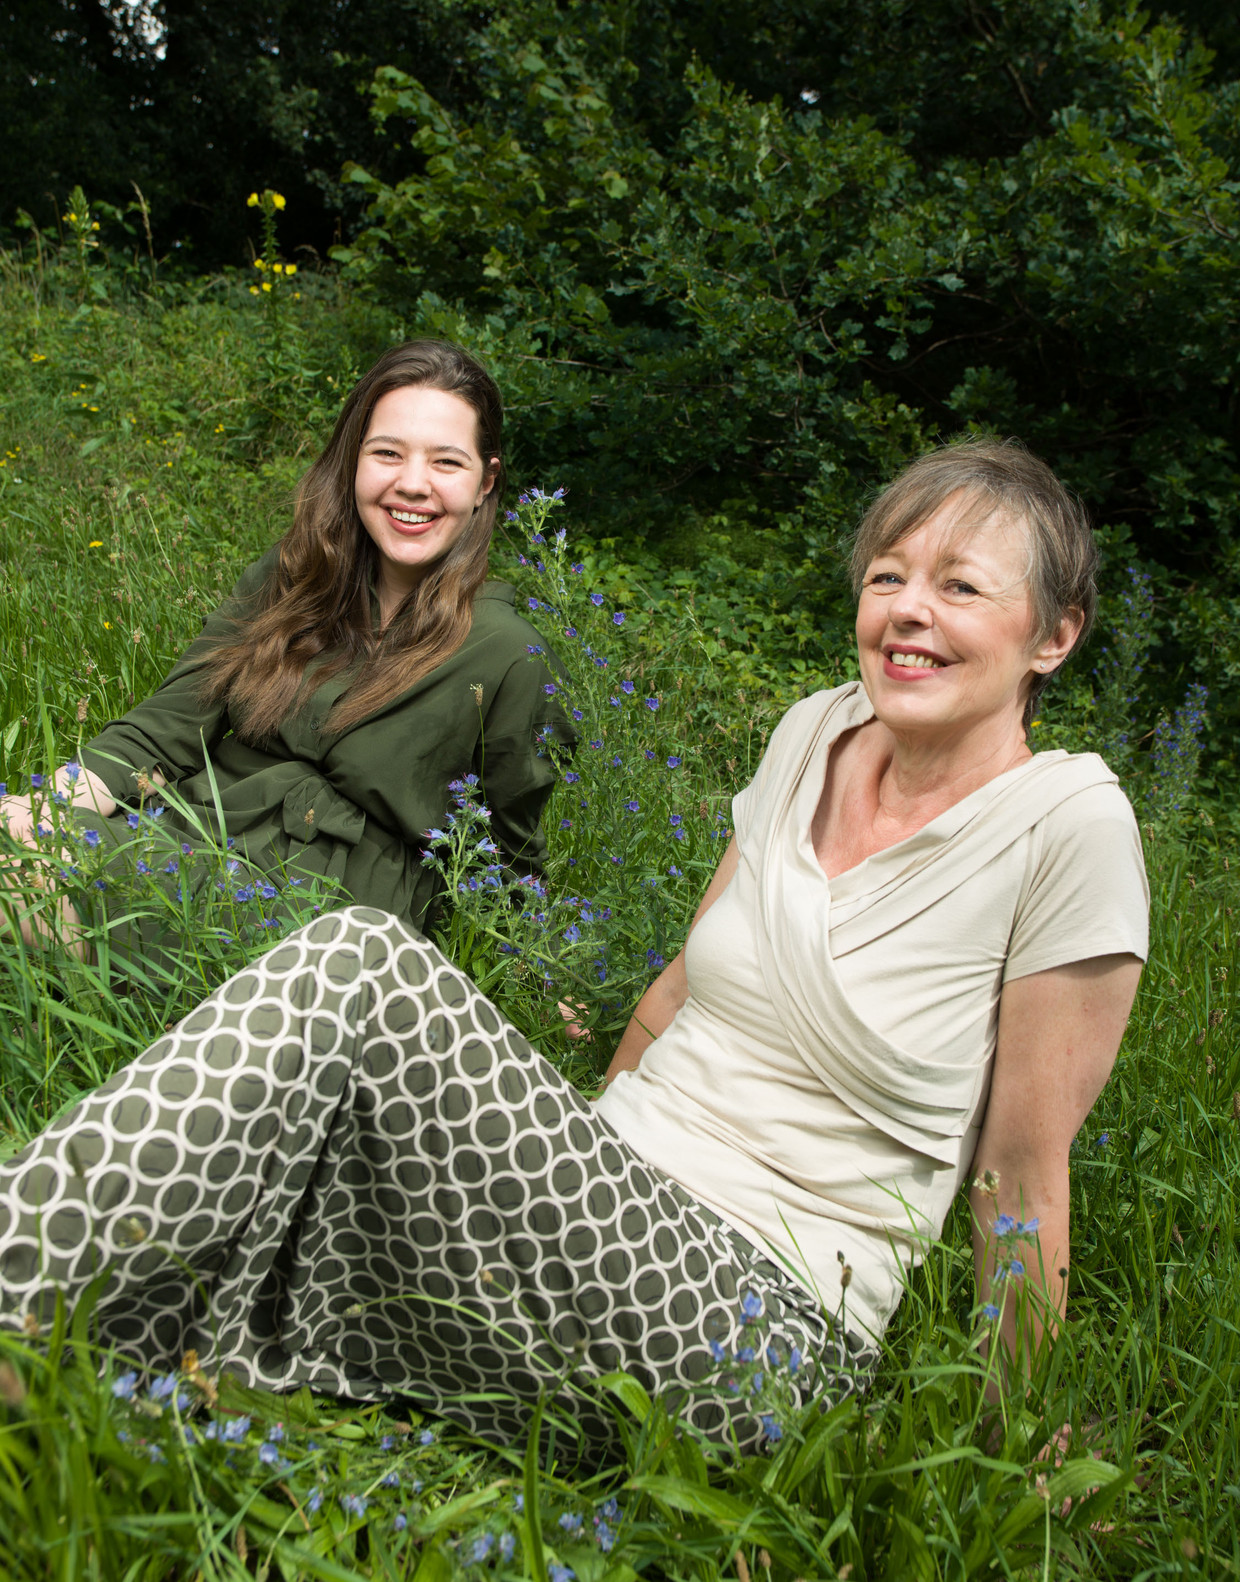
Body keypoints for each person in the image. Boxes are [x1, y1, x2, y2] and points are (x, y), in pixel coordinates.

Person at [0, 441, 1148, 1460]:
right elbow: (682, 989)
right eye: (888, 575)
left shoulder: (1066, 825)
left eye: (960, 586)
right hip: (601, 1213)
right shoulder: (814, 729)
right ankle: (63, 1359)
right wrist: (568, 1155)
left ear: (1053, 635)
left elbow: (1020, 1176)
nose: (907, 609)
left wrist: (1012, 1460)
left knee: (356, 963)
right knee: (320, 1158)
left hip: (755, 1323)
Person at [0, 341, 572, 949]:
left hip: (320, 916)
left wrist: (545, 964)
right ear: (354, 461)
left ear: (486, 482)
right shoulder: (293, 576)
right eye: (387, 453)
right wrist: (42, 811)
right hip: (188, 838)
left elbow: (509, 851)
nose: (412, 484)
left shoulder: (511, 654)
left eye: (446, 463)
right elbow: (165, 729)